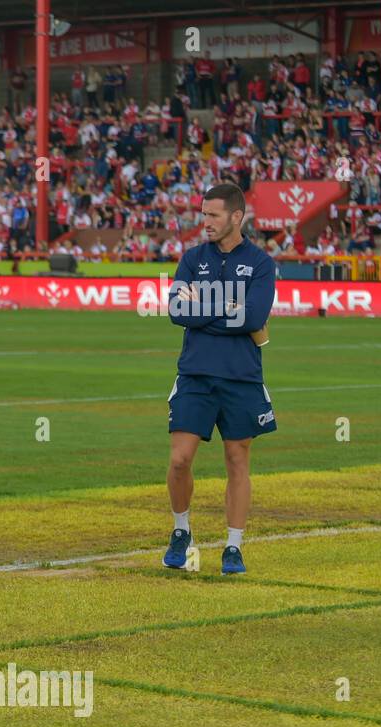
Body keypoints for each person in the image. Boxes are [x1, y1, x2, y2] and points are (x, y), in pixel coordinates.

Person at [164, 183, 276, 575]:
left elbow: (253, 317)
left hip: (241, 377)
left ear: (236, 217)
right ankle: (181, 531)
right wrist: (229, 305)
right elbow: (177, 310)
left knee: (236, 459)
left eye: (213, 215)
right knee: (180, 460)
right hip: (195, 373)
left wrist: (205, 305)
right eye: (203, 214)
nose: (205, 222)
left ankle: (233, 546)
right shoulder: (192, 258)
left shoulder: (261, 264)